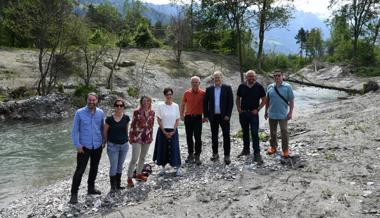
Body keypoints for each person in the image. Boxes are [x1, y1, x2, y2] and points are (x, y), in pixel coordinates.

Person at [69, 92, 104, 204]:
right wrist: (77, 145)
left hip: (97, 145)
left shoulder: (100, 112)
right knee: (80, 171)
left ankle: (91, 188)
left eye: (93, 100)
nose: (91, 102)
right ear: (87, 100)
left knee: (94, 168)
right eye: (89, 100)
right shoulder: (79, 113)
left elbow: (102, 128)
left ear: (97, 101)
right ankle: (74, 194)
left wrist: (103, 141)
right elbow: (74, 131)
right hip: (84, 147)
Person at [236, 70, 266, 164]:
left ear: (255, 77)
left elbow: (264, 99)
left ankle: (257, 153)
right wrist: (239, 109)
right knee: (245, 132)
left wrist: (258, 109)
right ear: (246, 77)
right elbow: (237, 98)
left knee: (254, 133)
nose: (251, 78)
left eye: (252, 76)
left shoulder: (259, 87)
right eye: (249, 76)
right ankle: (246, 150)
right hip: (243, 113)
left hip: (254, 114)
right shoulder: (242, 86)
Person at [203, 71, 233, 165]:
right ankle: (215, 154)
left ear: (221, 77)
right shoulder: (209, 89)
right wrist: (206, 115)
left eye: (218, 77)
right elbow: (205, 103)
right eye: (215, 77)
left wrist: (228, 115)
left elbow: (230, 103)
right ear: (213, 78)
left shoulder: (227, 88)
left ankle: (227, 155)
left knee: (226, 135)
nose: (217, 79)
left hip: (224, 117)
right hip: (213, 117)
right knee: (214, 136)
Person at [265, 70, 294, 158]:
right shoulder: (270, 87)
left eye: (278, 75)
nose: (277, 77)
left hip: (283, 115)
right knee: (272, 132)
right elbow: (267, 100)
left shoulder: (287, 87)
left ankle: (285, 150)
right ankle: (273, 147)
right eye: (275, 76)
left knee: (284, 132)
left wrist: (290, 112)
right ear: (273, 77)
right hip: (272, 114)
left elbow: (291, 100)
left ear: (282, 76)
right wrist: (266, 111)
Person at [127, 96, 155, 187]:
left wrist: (151, 136)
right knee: (134, 158)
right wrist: (130, 137)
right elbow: (132, 125)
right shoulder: (136, 112)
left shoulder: (152, 112)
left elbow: (151, 126)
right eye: (144, 101)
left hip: (147, 137)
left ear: (150, 102)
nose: (146, 102)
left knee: (142, 158)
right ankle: (129, 178)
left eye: (148, 101)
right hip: (137, 137)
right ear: (141, 102)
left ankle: (139, 174)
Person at [153, 88, 182, 176]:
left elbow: (177, 119)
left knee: (174, 148)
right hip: (163, 130)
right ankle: (163, 168)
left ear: (172, 95)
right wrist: (164, 131)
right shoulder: (160, 105)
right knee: (163, 148)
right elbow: (159, 119)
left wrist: (173, 130)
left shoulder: (176, 106)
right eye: (167, 94)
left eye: (170, 94)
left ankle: (177, 168)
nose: (169, 96)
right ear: (165, 95)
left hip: (173, 130)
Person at [103, 99, 130, 192]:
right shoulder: (109, 119)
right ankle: (113, 186)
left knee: (120, 165)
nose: (119, 107)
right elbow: (105, 131)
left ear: (123, 107)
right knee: (113, 166)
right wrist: (106, 142)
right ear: (114, 107)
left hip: (124, 145)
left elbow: (126, 130)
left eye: (121, 105)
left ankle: (118, 185)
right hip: (112, 146)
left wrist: (127, 139)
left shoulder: (126, 118)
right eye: (117, 105)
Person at [180, 76, 205, 165]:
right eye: (193, 82)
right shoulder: (186, 93)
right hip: (188, 117)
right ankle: (190, 154)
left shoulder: (203, 93)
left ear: (199, 83)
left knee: (198, 137)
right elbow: (182, 104)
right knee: (189, 136)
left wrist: (206, 116)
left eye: (196, 82)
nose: (194, 84)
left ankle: (197, 155)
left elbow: (207, 106)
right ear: (191, 83)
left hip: (198, 117)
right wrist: (181, 115)